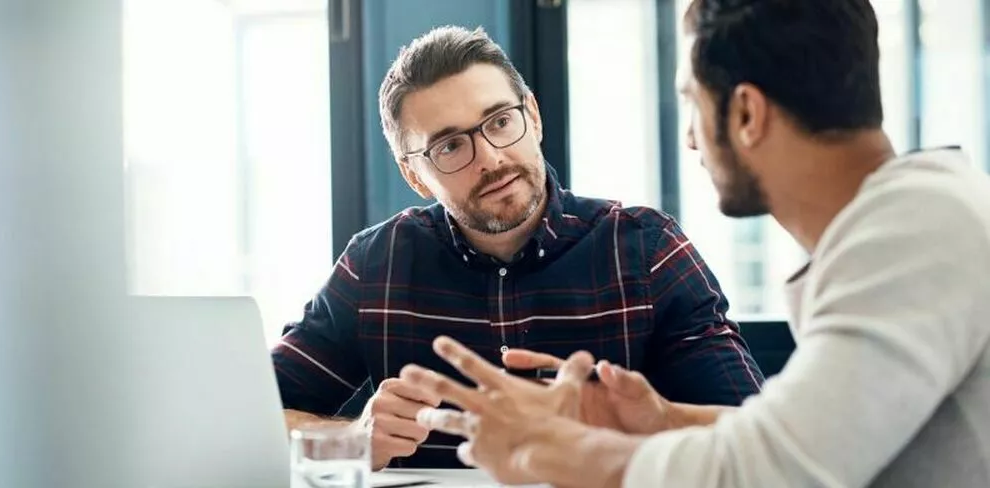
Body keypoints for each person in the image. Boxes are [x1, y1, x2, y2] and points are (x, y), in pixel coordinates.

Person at [404, 1, 990, 486]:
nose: (688, 138)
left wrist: (557, 450)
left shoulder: (916, 231)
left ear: (746, 114)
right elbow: (810, 439)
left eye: (692, 102)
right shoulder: (918, 219)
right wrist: (658, 419)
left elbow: (771, 474)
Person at [271, 25, 764, 470]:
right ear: (413, 175)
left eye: (501, 121)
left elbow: (756, 440)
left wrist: (646, 424)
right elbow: (253, 417)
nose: (490, 157)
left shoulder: (648, 250)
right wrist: (351, 439)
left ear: (534, 116)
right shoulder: (374, 265)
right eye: (450, 146)